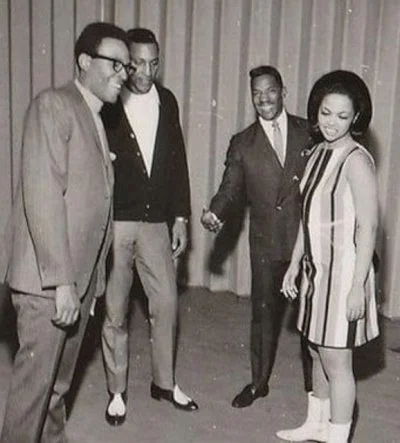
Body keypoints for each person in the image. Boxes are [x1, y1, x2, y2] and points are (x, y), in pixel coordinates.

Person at [0, 22, 131, 443]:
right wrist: (61, 283)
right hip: (48, 284)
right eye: (115, 64)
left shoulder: (94, 116)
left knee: (56, 388)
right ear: (84, 61)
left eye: (127, 67)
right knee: (33, 395)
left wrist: (91, 284)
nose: (124, 74)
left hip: (76, 283)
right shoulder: (54, 105)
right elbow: (43, 197)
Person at [101, 27, 198, 426]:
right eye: (138, 63)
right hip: (117, 224)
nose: (145, 72)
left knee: (166, 303)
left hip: (156, 221)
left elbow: (177, 161)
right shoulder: (109, 101)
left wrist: (181, 217)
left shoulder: (167, 101)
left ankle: (164, 382)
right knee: (115, 310)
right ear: (125, 63)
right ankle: (117, 390)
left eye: (153, 63)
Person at [276, 70, 379, 443]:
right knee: (315, 350)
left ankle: (337, 437)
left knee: (337, 361)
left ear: (356, 117)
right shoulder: (317, 152)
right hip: (315, 271)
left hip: (345, 275)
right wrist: (294, 264)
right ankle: (316, 424)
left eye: (342, 115)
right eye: (325, 113)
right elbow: (309, 219)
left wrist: (357, 288)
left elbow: (368, 227)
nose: (332, 122)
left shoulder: (356, 160)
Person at [201, 65, 312, 408]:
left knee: (311, 317)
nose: (263, 98)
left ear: (283, 92)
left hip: (306, 242)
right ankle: (258, 382)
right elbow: (229, 188)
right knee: (263, 315)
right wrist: (215, 212)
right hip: (266, 243)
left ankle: (316, 386)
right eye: (256, 93)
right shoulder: (243, 143)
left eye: (270, 90)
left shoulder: (309, 132)